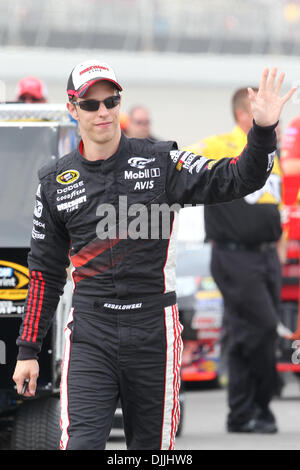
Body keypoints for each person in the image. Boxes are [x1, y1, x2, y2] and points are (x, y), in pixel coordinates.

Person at [12, 60, 295, 450]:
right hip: (92, 329)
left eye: (111, 101)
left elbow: (238, 177)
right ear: (72, 109)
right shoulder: (55, 182)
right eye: (91, 104)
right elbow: (44, 272)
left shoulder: (163, 161)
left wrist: (262, 131)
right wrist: (28, 350)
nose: (103, 112)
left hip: (153, 329)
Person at [186, 87, 284, 434]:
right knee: (264, 328)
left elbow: (275, 203)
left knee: (248, 334)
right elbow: (183, 161)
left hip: (268, 256)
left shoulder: (274, 151)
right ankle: (258, 405)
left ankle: (244, 412)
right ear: (246, 114)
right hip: (234, 256)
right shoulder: (219, 144)